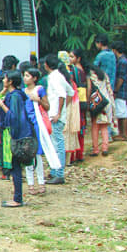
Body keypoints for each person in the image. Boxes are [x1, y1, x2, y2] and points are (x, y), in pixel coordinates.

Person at [0, 70, 31, 208]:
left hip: (16, 135)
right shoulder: (16, 95)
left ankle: (17, 199)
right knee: (15, 167)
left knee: (16, 167)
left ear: (10, 81)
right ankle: (17, 197)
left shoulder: (15, 97)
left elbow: (13, 116)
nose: (3, 80)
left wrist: (2, 106)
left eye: (5, 79)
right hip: (19, 134)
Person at [43, 54, 72, 183]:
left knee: (58, 144)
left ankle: (59, 173)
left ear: (46, 65)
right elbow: (70, 92)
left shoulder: (54, 77)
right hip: (55, 115)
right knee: (54, 144)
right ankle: (54, 171)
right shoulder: (59, 76)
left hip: (55, 116)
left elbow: (62, 95)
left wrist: (59, 113)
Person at [88, 65, 115, 157]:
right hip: (106, 102)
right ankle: (105, 148)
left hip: (97, 102)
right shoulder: (104, 75)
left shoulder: (91, 76)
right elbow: (109, 90)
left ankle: (95, 149)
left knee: (95, 126)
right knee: (104, 126)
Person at [112, 40, 127, 141]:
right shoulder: (122, 60)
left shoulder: (122, 61)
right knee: (120, 113)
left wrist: (115, 90)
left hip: (121, 91)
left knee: (122, 113)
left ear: (115, 50)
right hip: (122, 91)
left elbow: (121, 78)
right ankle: (121, 134)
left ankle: (124, 134)